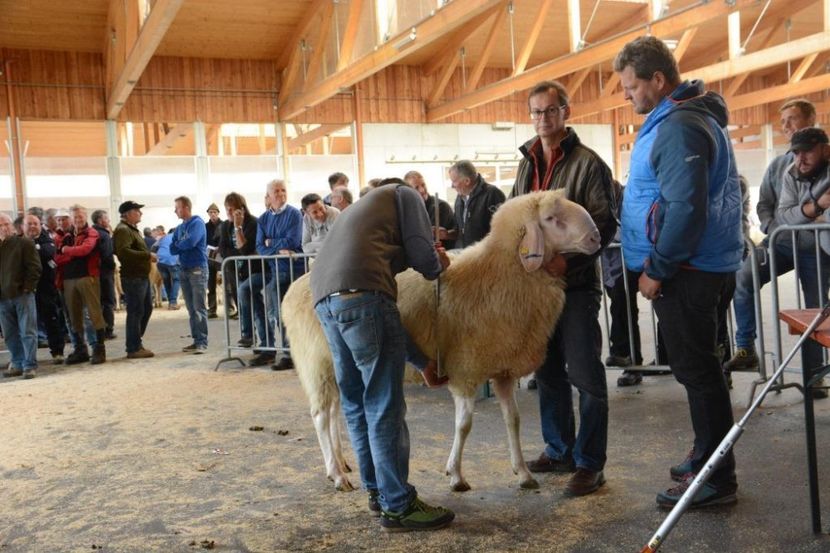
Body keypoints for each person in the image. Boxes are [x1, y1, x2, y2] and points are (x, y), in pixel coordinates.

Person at [615, 35, 743, 508]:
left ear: (658, 79)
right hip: (701, 264)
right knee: (700, 372)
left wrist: (658, 268)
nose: (626, 95)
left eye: (631, 86)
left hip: (686, 269)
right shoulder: (685, 118)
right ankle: (707, 455)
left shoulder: (679, 126)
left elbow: (685, 207)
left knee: (700, 373)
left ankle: (716, 477)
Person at [311, 177, 454, 531]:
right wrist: (439, 263)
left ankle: (378, 492)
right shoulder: (403, 194)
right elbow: (423, 256)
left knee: (358, 401)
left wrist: (422, 363)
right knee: (384, 404)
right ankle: (399, 504)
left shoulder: (357, 213)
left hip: (325, 301)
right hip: (364, 295)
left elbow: (380, 326)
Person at [511, 80, 617, 496]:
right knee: (548, 369)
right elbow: (521, 216)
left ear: (565, 113)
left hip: (574, 287)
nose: (542, 119)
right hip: (538, 288)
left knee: (584, 371)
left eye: (550, 111)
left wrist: (566, 262)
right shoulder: (526, 162)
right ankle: (559, 448)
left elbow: (603, 224)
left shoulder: (589, 164)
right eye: (536, 112)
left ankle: (591, 462)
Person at [724, 100, 823, 376]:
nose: (786, 126)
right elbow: (764, 204)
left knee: (815, 309)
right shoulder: (778, 165)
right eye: (783, 122)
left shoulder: (824, 164)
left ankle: (814, 374)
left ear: (811, 120)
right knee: (744, 277)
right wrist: (771, 228)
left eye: (792, 119)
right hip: (780, 243)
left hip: (816, 248)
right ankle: (745, 348)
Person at [255, 179, 304, 370]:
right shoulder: (263, 219)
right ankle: (281, 350)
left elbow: (292, 241)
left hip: (295, 270)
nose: (281, 193)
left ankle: (292, 353)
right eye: (276, 191)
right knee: (278, 310)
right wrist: (277, 248)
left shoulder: (294, 214)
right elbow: (260, 247)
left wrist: (270, 243)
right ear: (269, 195)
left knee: (292, 311)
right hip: (277, 269)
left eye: (283, 190)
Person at [55, 205, 108, 365]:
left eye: (80, 216)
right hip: (68, 279)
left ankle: (99, 349)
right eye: (75, 217)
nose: (78, 220)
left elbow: (86, 249)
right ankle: (81, 350)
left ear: (85, 217)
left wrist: (67, 251)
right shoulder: (66, 236)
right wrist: (71, 253)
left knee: (93, 315)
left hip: (88, 277)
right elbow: (57, 258)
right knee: (74, 316)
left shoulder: (92, 233)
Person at [0, 214, 42, 379]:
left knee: (27, 331)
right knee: (9, 334)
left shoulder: (24, 243)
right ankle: (17, 362)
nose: (3, 227)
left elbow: (35, 268)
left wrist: (27, 288)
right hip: (2, 298)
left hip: (22, 295)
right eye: (0, 225)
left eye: (6, 224)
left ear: (12, 226)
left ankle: (29, 365)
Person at [113, 201, 156, 359]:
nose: (140, 213)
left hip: (139, 276)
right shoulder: (124, 230)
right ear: (128, 213)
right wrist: (147, 255)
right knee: (136, 311)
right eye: (137, 210)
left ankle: (136, 341)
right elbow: (123, 252)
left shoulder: (130, 229)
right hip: (133, 277)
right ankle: (133, 347)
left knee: (145, 309)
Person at [25, 214, 65, 364]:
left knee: (51, 319)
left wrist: (33, 250)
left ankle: (57, 352)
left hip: (46, 288)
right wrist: (35, 249)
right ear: (23, 226)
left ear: (40, 225)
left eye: (36, 223)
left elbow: (48, 253)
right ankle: (26, 357)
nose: (33, 226)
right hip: (25, 290)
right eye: (29, 224)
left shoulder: (47, 239)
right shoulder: (18, 241)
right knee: (26, 324)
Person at [170, 196, 208, 353]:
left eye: (177, 207)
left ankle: (202, 342)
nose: (175, 211)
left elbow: (191, 242)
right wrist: (180, 245)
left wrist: (179, 245)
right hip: (184, 269)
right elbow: (171, 248)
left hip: (197, 269)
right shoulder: (179, 228)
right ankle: (196, 339)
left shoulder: (197, 223)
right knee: (191, 308)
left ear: (186, 208)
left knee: (199, 307)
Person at [447, 160, 504, 248]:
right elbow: (459, 231)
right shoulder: (460, 198)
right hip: (466, 256)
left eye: (454, 181)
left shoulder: (493, 194)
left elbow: (501, 231)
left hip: (486, 256)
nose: (452, 186)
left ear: (467, 181)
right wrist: (446, 234)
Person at [404, 170, 457, 249]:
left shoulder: (440, 207)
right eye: (416, 187)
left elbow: (428, 238)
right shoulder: (409, 210)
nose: (422, 190)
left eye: (423, 185)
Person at [91, 209, 117, 340]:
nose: (109, 221)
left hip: (93, 273)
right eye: (107, 218)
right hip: (105, 273)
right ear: (101, 220)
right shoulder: (104, 235)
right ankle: (108, 329)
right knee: (108, 300)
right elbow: (107, 255)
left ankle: (98, 329)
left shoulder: (90, 233)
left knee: (97, 302)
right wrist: (112, 267)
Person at [155, 227, 181, 310]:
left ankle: (171, 302)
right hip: (172, 261)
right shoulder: (178, 236)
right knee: (177, 280)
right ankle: (173, 302)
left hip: (160, 261)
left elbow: (153, 247)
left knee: (166, 282)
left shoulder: (163, 237)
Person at [205, 203, 222, 319]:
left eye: (215, 212)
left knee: (227, 285)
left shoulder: (224, 225)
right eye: (211, 212)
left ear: (218, 213)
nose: (213, 214)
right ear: (208, 214)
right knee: (211, 285)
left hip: (222, 257)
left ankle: (230, 309)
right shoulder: (205, 226)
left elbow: (227, 239)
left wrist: (220, 248)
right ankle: (212, 309)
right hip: (210, 258)